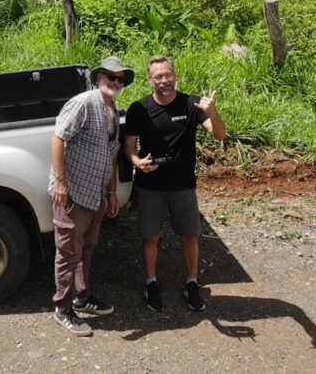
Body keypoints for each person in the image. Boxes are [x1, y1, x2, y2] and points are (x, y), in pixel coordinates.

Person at [124, 55, 226, 312]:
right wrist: (137, 162)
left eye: (168, 75)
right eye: (158, 76)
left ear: (175, 76)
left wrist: (213, 112)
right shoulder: (139, 108)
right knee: (151, 238)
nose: (164, 81)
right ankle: (151, 282)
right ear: (150, 80)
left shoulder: (192, 104)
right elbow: (129, 146)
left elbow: (220, 134)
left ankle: (192, 283)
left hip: (183, 186)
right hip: (150, 186)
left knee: (190, 237)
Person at [49, 56, 131, 336]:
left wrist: (111, 192)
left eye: (120, 78)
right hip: (73, 192)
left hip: (96, 194)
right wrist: (61, 183)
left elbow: (112, 154)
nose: (115, 82)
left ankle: (82, 297)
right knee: (68, 252)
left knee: (87, 247)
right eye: (111, 76)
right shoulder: (83, 103)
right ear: (99, 78)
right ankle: (62, 308)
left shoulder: (113, 109)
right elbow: (58, 138)